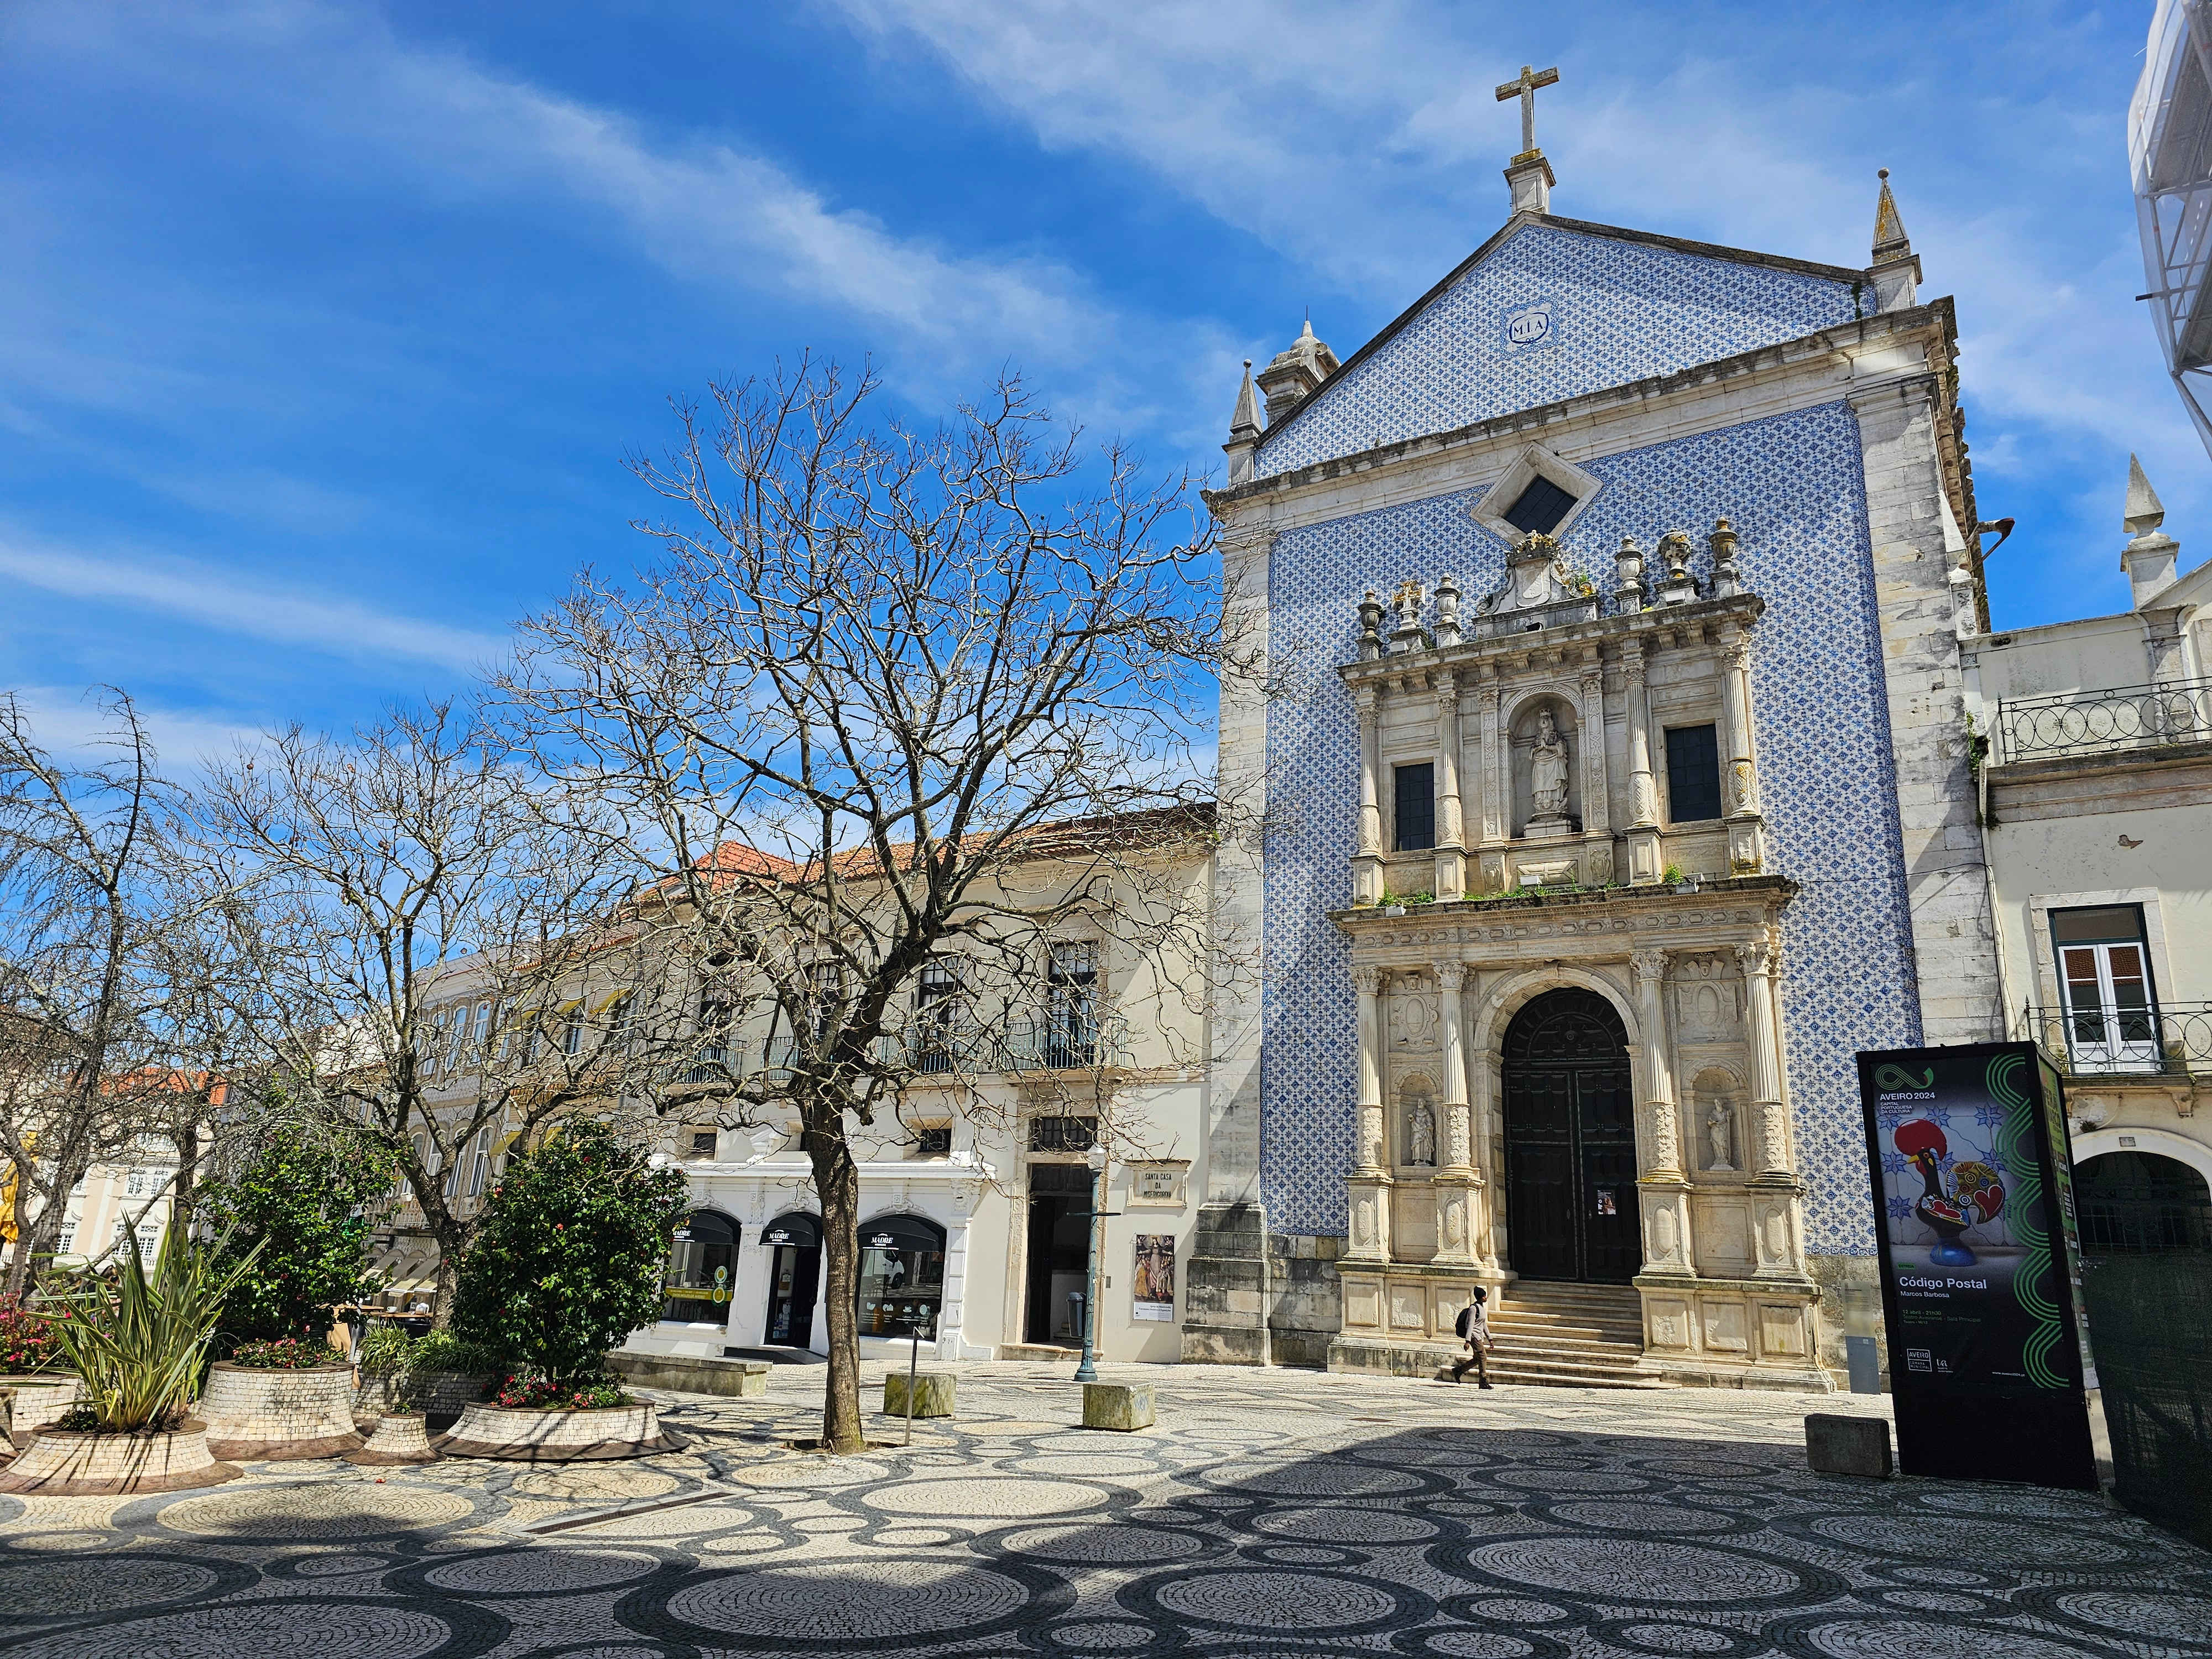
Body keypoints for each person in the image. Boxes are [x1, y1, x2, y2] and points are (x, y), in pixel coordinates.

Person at [1450, 1287, 1493, 1387]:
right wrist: (1467, 1341)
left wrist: (1490, 1338)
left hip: (1479, 1336)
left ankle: (1459, 1370)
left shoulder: (1482, 1308)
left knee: (1477, 1358)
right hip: (1474, 1336)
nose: (1486, 1297)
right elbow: (1470, 1325)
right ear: (1480, 1297)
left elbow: (1483, 1325)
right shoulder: (1473, 1309)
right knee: (1483, 1357)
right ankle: (1483, 1381)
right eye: (1484, 1296)